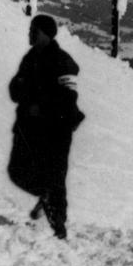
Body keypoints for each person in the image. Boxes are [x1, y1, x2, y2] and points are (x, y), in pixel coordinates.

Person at [8, 13, 84, 240]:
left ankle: (59, 228)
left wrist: (41, 107)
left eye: (35, 31)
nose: (30, 34)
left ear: (47, 35)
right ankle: (46, 195)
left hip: (56, 128)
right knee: (18, 171)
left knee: (55, 177)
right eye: (31, 30)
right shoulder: (30, 58)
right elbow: (14, 90)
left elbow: (68, 97)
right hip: (28, 127)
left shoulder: (63, 61)